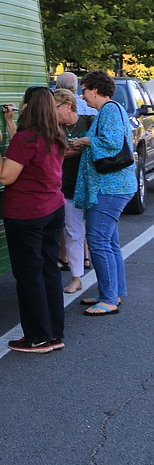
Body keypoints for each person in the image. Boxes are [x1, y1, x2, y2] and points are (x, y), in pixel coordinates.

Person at [0, 85, 67, 353]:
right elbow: (25, 154)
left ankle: (37, 338)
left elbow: (5, 175)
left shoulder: (27, 139)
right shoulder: (54, 135)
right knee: (49, 271)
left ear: (29, 107)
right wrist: (11, 123)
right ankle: (55, 334)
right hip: (53, 210)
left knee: (29, 276)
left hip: (26, 215)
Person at [71, 70, 136, 316]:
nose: (83, 95)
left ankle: (109, 299)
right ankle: (113, 292)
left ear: (95, 90)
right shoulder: (112, 109)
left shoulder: (108, 110)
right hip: (115, 186)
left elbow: (111, 142)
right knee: (109, 242)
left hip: (110, 187)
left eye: (85, 90)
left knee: (98, 240)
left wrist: (84, 142)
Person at [52, 87, 92, 293]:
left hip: (91, 186)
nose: (52, 112)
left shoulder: (89, 121)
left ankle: (106, 282)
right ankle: (77, 277)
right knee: (73, 233)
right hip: (67, 186)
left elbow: (103, 145)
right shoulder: (54, 128)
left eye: (55, 107)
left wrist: (83, 146)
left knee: (98, 235)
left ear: (68, 105)